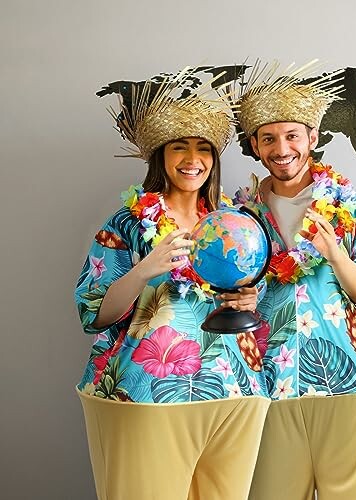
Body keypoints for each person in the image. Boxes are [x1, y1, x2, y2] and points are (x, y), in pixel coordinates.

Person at [75, 69, 270, 500]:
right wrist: (146, 268)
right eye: (179, 146)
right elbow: (94, 312)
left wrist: (249, 297)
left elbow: (255, 306)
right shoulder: (128, 221)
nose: (192, 158)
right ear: (160, 155)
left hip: (233, 384)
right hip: (147, 389)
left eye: (203, 148)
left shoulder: (233, 222)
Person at [233, 62, 356, 500]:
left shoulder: (346, 205)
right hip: (266, 380)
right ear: (256, 148)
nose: (282, 149)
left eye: (292, 135)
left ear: (312, 138)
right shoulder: (238, 215)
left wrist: (335, 253)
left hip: (350, 378)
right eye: (268, 138)